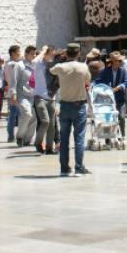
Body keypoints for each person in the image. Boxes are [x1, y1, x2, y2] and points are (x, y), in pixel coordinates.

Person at [50, 44, 92, 176]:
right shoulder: (83, 67)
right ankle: (79, 167)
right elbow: (88, 80)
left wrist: (60, 57)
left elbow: (51, 69)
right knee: (79, 138)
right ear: (78, 53)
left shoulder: (60, 67)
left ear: (66, 53)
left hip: (65, 105)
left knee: (64, 137)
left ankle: (64, 167)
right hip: (79, 106)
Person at [94, 51, 127, 140]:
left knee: (121, 117)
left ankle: (122, 135)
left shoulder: (123, 70)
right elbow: (97, 81)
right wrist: (92, 86)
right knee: (108, 119)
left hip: (120, 98)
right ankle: (108, 137)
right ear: (113, 61)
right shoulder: (105, 70)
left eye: (120, 61)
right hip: (107, 99)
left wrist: (118, 87)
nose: (121, 62)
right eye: (119, 61)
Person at [32, 46, 58, 154]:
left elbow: (57, 84)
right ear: (46, 54)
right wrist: (43, 51)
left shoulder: (53, 67)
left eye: (54, 54)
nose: (52, 56)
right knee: (45, 121)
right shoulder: (39, 65)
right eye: (51, 54)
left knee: (52, 125)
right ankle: (38, 143)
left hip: (51, 98)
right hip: (40, 97)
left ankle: (49, 148)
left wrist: (58, 102)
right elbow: (34, 61)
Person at [11, 46, 36, 147]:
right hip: (22, 95)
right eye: (32, 53)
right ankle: (20, 136)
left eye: (35, 54)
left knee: (34, 118)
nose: (34, 55)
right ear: (26, 54)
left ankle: (27, 139)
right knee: (27, 114)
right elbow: (14, 80)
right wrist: (13, 94)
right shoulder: (20, 65)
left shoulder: (35, 65)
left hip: (33, 95)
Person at [4, 48, 21, 143]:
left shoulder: (7, 64)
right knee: (18, 115)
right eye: (18, 52)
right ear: (13, 53)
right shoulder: (13, 64)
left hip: (11, 91)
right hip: (15, 92)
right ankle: (15, 135)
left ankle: (11, 136)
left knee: (12, 115)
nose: (19, 54)